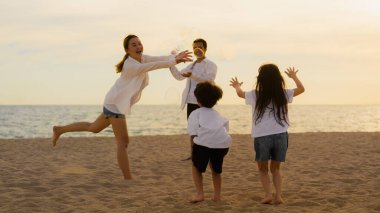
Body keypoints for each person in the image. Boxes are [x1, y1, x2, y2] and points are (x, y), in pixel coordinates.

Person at [51, 35, 192, 180]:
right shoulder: (130, 65)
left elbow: (158, 59)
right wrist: (174, 60)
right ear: (127, 50)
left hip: (113, 102)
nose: (138, 47)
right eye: (134, 45)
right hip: (116, 105)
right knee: (123, 143)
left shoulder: (142, 58)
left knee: (93, 127)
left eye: (139, 44)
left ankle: (59, 129)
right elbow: (152, 66)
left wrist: (173, 57)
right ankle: (128, 178)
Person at [230, 64, 305, 204]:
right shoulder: (283, 93)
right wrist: (294, 76)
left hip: (261, 136)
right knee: (276, 169)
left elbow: (240, 93)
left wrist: (236, 86)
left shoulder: (255, 94)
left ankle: (268, 195)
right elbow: (302, 89)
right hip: (280, 135)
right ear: (278, 78)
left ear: (260, 79)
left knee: (263, 169)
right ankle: (278, 197)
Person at [169, 38, 217, 160]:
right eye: (195, 47)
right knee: (193, 129)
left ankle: (206, 154)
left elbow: (209, 80)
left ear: (205, 49)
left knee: (204, 129)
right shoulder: (191, 65)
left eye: (200, 47)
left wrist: (193, 76)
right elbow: (178, 76)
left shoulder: (211, 65)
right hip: (191, 101)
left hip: (205, 101)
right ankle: (194, 155)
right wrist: (171, 62)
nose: (197, 49)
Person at [187, 82, 231, 203]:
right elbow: (225, 129)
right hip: (222, 144)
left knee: (196, 167)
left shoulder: (195, 113)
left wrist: (192, 151)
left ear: (197, 100)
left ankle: (200, 194)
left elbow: (193, 133)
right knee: (216, 169)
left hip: (204, 144)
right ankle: (217, 195)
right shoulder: (217, 114)